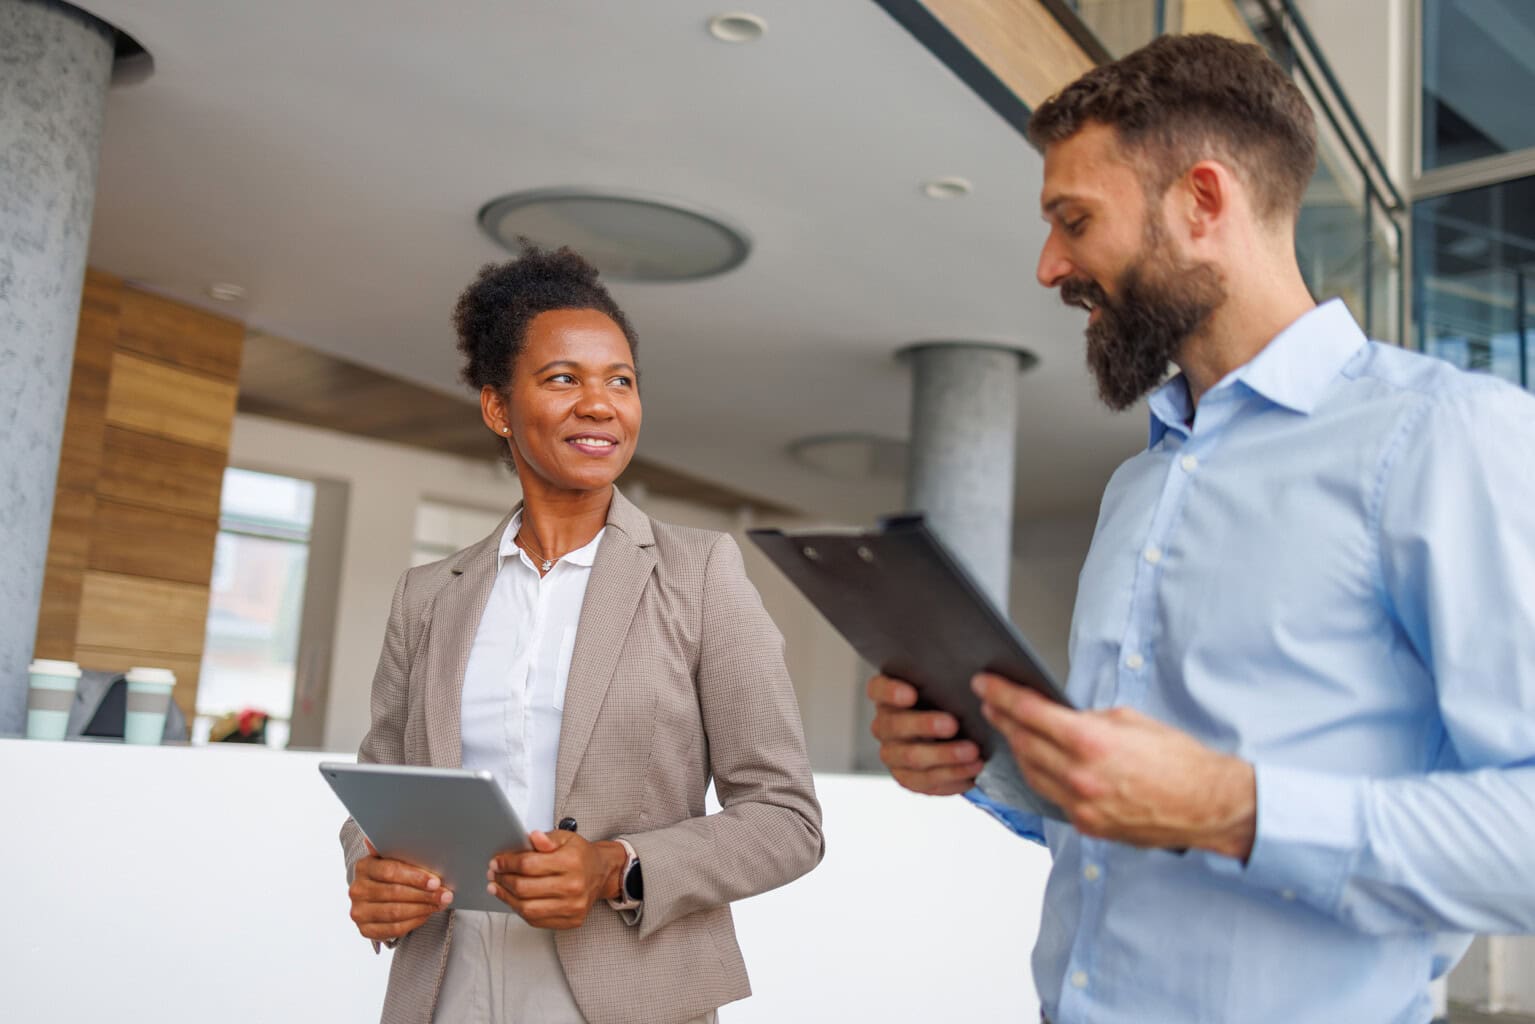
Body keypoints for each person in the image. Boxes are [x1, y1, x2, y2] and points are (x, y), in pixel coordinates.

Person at [867, 32, 1535, 1024]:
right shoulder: (1140, 483)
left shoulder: (1446, 437)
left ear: (1202, 201)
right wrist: (989, 767)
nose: (1050, 264)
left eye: (1073, 219)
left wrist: (1228, 805)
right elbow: (1136, 814)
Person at [339, 245, 823, 1024]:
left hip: (629, 995)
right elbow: (381, 795)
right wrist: (370, 869)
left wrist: (615, 868)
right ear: (498, 407)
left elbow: (786, 819)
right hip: (445, 990)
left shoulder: (700, 576)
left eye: (620, 381)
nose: (601, 405)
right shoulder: (428, 596)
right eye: (563, 378)